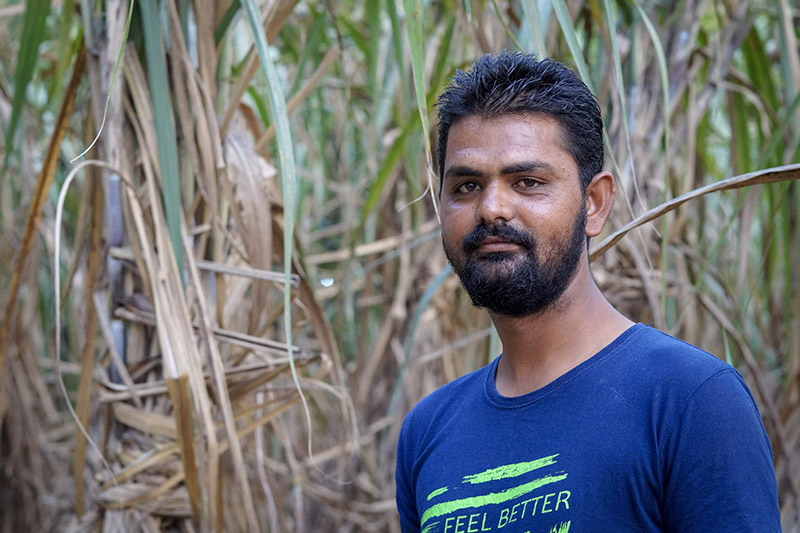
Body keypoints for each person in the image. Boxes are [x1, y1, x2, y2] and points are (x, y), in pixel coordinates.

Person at [395, 51, 780, 533]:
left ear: (594, 203)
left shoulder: (689, 401)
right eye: (467, 186)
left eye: (527, 182)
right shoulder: (428, 431)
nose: (492, 208)